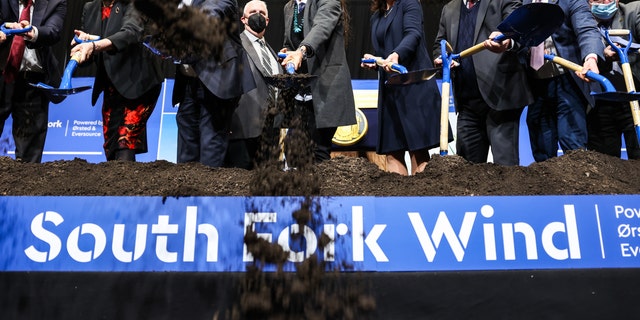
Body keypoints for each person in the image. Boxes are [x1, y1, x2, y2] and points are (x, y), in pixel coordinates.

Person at [433, 0, 532, 166]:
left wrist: (507, 42)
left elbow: (518, 30)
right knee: (467, 175)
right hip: (467, 105)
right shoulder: (449, 9)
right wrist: (441, 57)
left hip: (500, 100)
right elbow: (440, 44)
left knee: (506, 172)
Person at [70, 0, 165, 162]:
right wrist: (84, 44)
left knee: (124, 142)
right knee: (112, 146)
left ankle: (127, 187)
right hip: (111, 87)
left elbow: (131, 32)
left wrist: (93, 45)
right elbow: (92, 54)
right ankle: (116, 187)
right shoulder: (90, 8)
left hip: (139, 82)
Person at [360, 0, 445, 175]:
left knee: (418, 152)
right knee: (392, 153)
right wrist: (376, 61)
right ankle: (397, 201)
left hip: (413, 86)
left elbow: (413, 34)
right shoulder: (377, 15)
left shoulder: (409, 3)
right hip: (390, 90)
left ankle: (420, 200)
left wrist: (397, 54)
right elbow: (385, 54)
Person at [172, 0, 255, 167]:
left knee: (211, 151)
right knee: (186, 153)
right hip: (188, 83)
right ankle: (185, 191)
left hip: (217, 81)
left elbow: (211, 11)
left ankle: (207, 194)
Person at [524, 0, 604, 162]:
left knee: (574, 146)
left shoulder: (571, 1)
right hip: (534, 83)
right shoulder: (521, 3)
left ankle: (581, 186)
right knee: (542, 151)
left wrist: (591, 57)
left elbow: (587, 29)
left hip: (567, 82)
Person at [279, 0, 356, 165]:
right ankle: (296, 190)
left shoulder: (329, 2)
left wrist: (301, 51)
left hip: (325, 89)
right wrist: (288, 52)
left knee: (318, 151)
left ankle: (318, 190)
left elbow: (321, 28)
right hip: (301, 91)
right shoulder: (289, 7)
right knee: (293, 150)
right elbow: (289, 41)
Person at [0, 0, 66, 163]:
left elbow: (53, 31)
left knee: (28, 160)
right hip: (2, 74)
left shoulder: (55, 2)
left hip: (33, 82)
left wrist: (31, 32)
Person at [225, 0, 282, 169]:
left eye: (262, 13)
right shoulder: (235, 44)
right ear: (243, 19)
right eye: (253, 12)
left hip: (270, 130)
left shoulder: (272, 52)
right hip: (243, 128)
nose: (258, 16)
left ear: (267, 20)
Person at [586, 0, 640, 160]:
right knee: (605, 163)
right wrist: (602, 56)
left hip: (634, 97)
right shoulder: (580, 20)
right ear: (588, 2)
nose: (604, 3)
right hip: (599, 100)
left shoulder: (633, 11)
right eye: (598, 0)